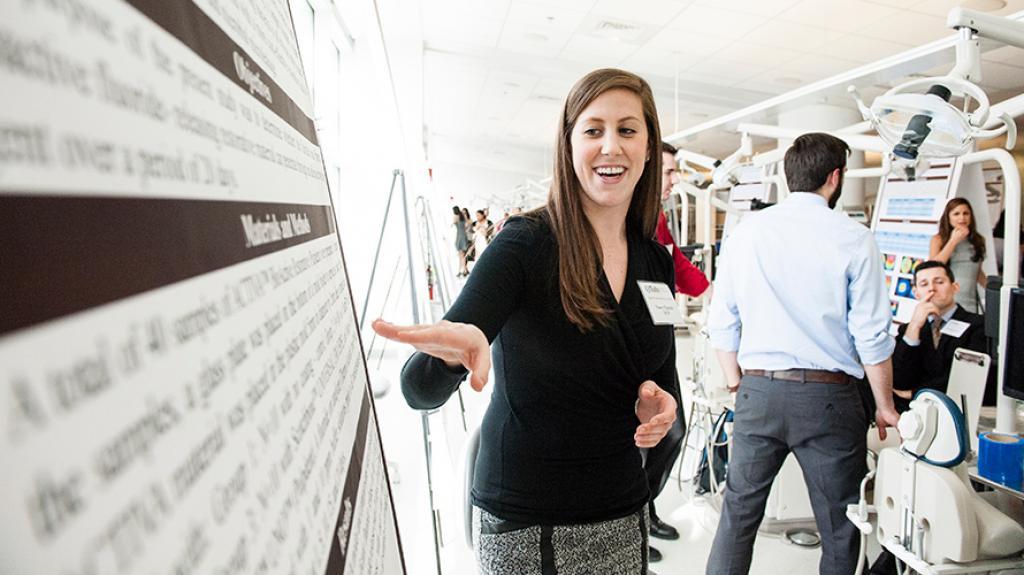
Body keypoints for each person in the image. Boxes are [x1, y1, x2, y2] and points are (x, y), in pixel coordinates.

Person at [373, 68, 679, 574]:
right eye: (593, 129)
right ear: (569, 144)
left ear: (649, 148)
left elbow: (659, 378)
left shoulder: (654, 261)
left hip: (624, 508)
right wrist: (450, 358)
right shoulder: (526, 243)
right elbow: (418, 391)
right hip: (527, 519)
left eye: (627, 130)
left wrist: (660, 405)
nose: (611, 146)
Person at [706, 132, 899, 575]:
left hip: (758, 391)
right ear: (835, 178)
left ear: (788, 176)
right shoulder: (854, 238)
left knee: (737, 518)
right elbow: (871, 334)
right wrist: (885, 406)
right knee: (838, 527)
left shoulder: (746, 233)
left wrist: (737, 383)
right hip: (828, 400)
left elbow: (722, 321)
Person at [642, 141, 711, 563]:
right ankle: (632, 521)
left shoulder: (657, 217)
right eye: (668, 172)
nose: (673, 180)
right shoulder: (626, 216)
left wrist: (711, 290)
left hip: (659, 341)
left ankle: (643, 509)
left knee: (673, 434)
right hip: (632, 346)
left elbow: (674, 266)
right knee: (642, 442)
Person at [892, 260, 992, 410]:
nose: (932, 288)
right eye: (924, 284)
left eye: (939, 282)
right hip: (914, 412)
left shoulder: (978, 325)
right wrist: (914, 327)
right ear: (916, 293)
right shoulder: (909, 330)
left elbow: (967, 377)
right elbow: (899, 380)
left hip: (958, 409)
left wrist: (917, 392)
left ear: (955, 287)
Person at [929, 198, 986, 313]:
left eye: (966, 213)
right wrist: (953, 241)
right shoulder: (938, 239)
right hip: (946, 301)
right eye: (956, 214)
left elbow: (977, 272)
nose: (962, 218)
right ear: (948, 217)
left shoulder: (978, 240)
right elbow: (933, 267)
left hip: (969, 302)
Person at [453, 206, 470, 277]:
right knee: (462, 255)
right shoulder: (463, 216)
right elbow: (468, 224)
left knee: (461, 256)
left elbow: (453, 222)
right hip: (464, 235)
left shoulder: (456, 217)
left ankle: (462, 270)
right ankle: (464, 270)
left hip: (459, 236)